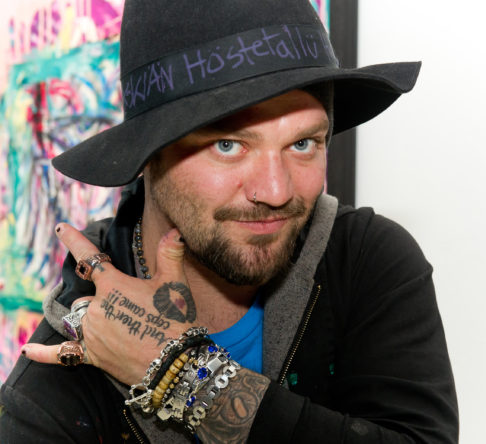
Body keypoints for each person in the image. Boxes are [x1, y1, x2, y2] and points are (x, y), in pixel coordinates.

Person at [0, 0, 459, 442]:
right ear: (147, 155)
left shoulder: (365, 260)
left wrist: (184, 375)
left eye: (303, 144)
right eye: (227, 144)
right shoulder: (64, 368)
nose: (276, 191)